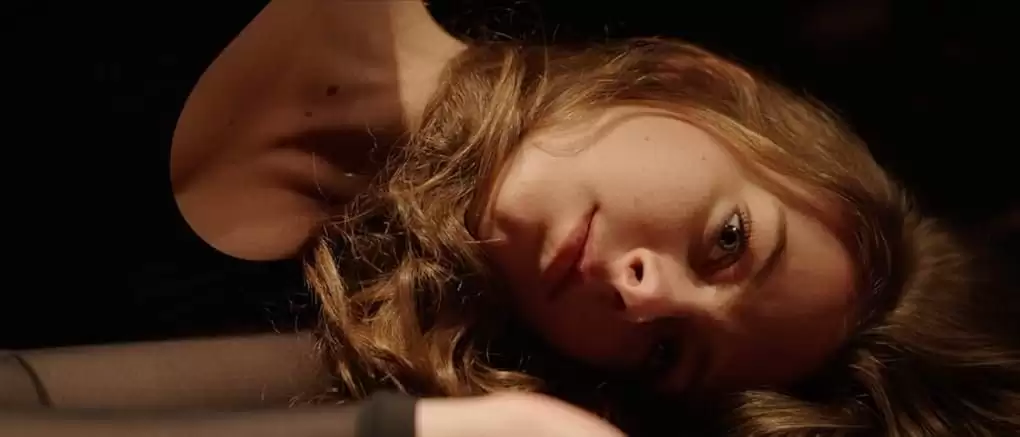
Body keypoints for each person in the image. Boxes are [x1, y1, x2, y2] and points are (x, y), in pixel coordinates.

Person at [4, 1, 1018, 436]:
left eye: (668, 351)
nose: (644, 296)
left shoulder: (278, 341)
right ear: (704, 86)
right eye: (729, 241)